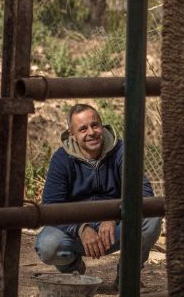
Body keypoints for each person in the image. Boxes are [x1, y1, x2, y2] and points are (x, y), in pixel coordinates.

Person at [35, 103, 162, 281]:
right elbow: (50, 206)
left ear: (102, 126)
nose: (91, 132)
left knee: (152, 219)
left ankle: (127, 276)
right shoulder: (61, 159)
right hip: (77, 233)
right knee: (47, 245)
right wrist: (80, 228)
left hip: (116, 228)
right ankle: (74, 269)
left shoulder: (121, 151)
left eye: (95, 125)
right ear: (72, 134)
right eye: (83, 129)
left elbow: (144, 193)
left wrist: (113, 215)